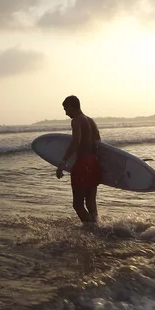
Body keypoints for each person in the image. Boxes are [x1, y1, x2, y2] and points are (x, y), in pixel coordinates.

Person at [56, 95, 102, 223]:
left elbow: (76, 142)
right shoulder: (91, 120)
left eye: (66, 109)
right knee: (91, 202)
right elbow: (98, 142)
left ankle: (91, 229)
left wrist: (63, 162)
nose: (66, 113)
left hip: (82, 163)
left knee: (78, 205)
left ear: (72, 106)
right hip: (93, 162)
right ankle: (97, 225)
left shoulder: (76, 120)